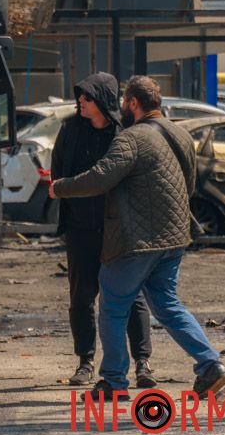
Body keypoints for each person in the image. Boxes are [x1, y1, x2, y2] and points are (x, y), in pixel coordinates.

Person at [50, 75, 225, 397]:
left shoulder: (131, 138)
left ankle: (114, 381)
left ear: (133, 103)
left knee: (113, 304)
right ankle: (211, 366)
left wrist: (61, 187)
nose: (121, 109)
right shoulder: (181, 134)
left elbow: (102, 177)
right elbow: (188, 184)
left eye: (125, 103)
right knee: (167, 305)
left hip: (138, 239)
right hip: (174, 238)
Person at [52, 73, 154, 388]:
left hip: (119, 230)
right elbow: (59, 176)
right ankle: (86, 361)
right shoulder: (70, 131)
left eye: (87, 97)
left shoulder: (125, 134)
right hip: (81, 229)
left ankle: (142, 363)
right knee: (82, 296)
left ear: (103, 101)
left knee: (131, 294)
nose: (80, 101)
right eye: (79, 96)